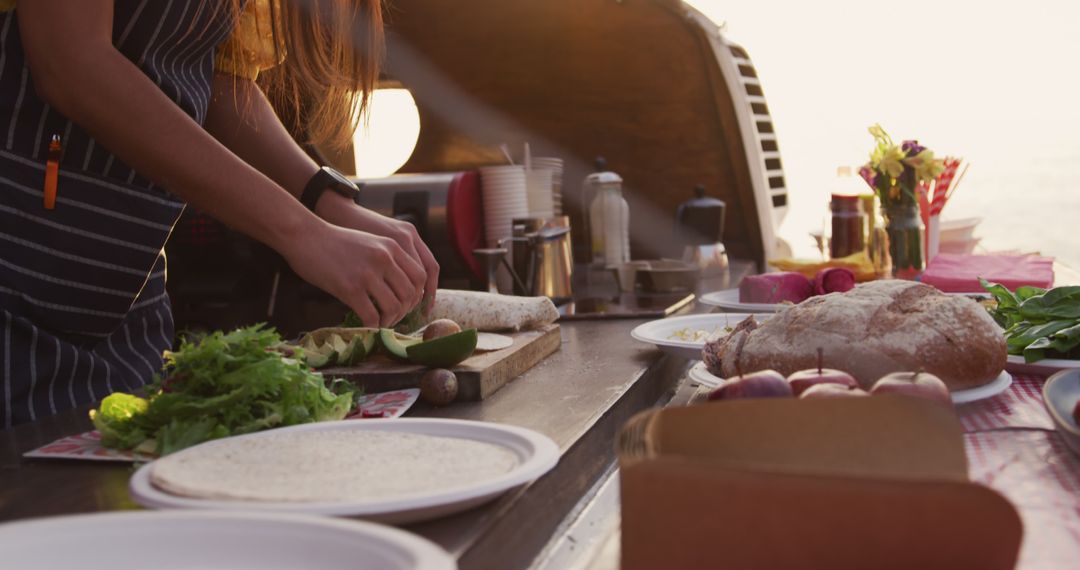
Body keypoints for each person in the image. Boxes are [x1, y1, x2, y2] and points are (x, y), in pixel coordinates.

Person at [0, 0, 439, 427]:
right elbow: (70, 61)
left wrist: (327, 201)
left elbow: (218, 81)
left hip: (125, 307)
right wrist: (304, 234)